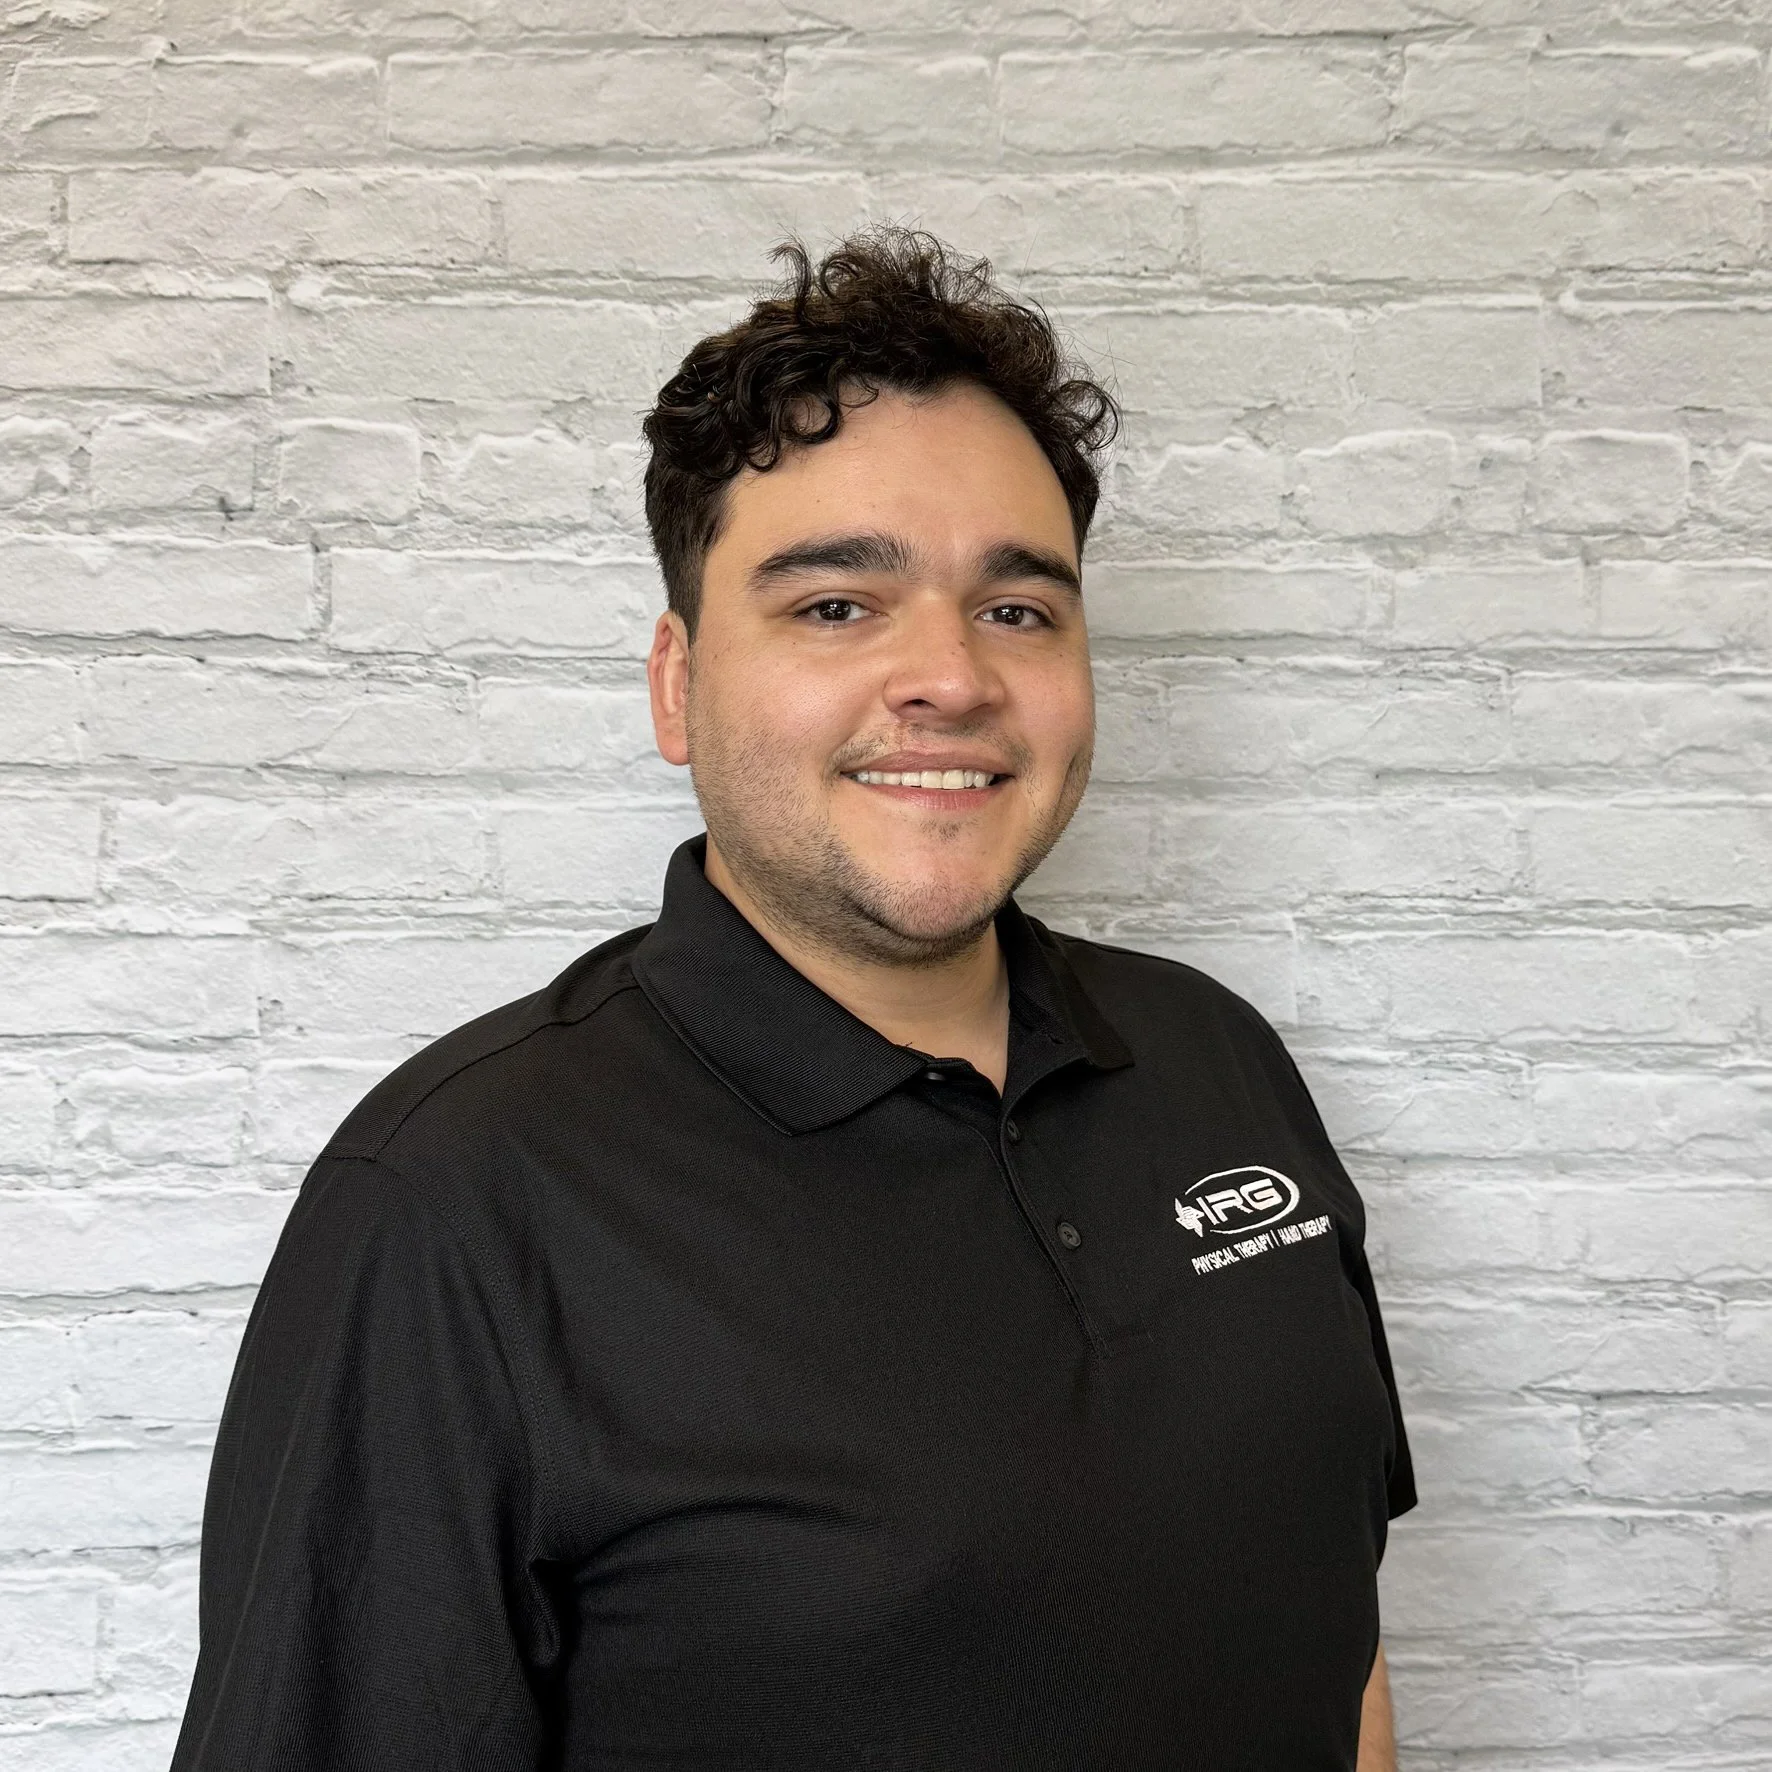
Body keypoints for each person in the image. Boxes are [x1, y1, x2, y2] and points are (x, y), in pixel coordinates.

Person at [170, 228, 1413, 1771]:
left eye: (1019, 609)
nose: (952, 677)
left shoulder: (1215, 1059)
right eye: (837, 605)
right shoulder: (459, 1200)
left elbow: (1338, 1630)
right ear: (677, 684)